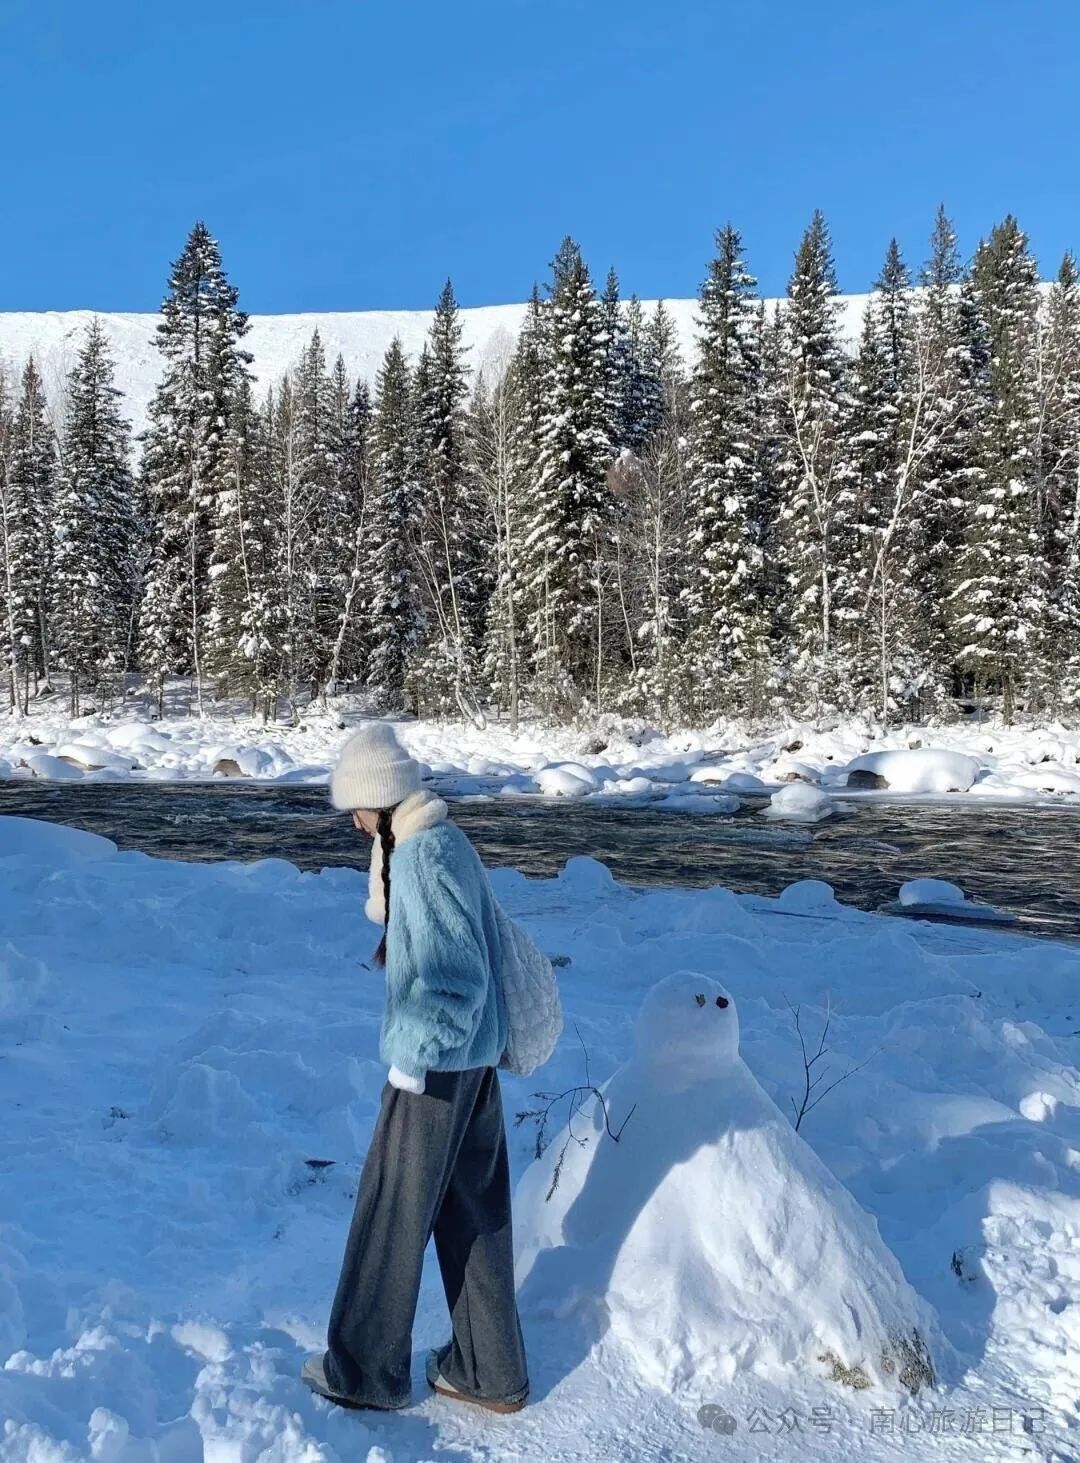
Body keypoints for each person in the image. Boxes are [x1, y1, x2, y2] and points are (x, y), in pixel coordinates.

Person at [302, 722, 530, 1414]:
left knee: (390, 1215)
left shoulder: (425, 855)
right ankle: (490, 1371)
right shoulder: (431, 840)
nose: (353, 819)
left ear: (380, 798)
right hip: (473, 1063)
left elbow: (455, 980)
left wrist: (414, 1060)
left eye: (358, 806)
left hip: (434, 1068)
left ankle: (363, 1371)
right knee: (472, 1210)